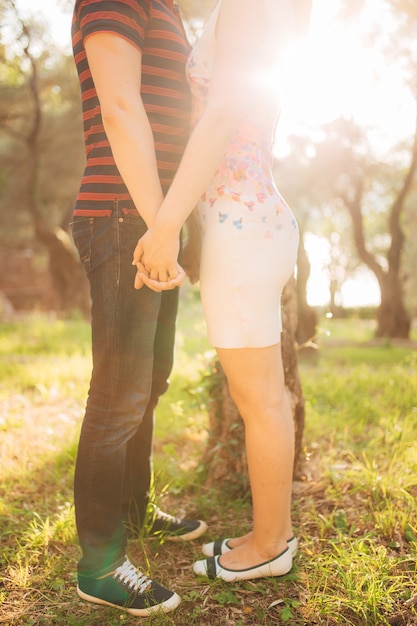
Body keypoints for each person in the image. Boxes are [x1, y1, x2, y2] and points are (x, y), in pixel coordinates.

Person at [133, 0, 312, 583]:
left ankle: (270, 544)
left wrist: (165, 228)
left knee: (259, 397)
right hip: (245, 220)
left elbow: (220, 116)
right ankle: (270, 533)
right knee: (257, 394)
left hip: (243, 224)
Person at [70, 0, 207, 617]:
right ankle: (99, 564)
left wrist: (176, 224)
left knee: (149, 383)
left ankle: (134, 510)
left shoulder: (169, 8)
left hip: (154, 221)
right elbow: (121, 108)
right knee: (118, 394)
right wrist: (161, 224)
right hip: (127, 218)